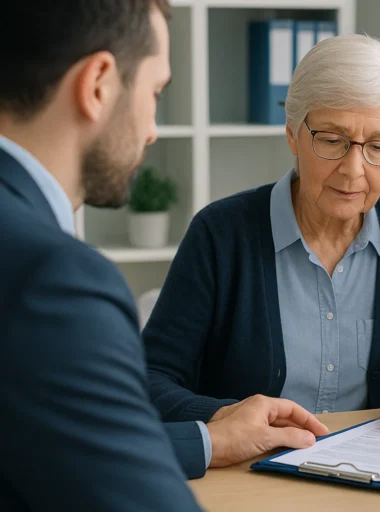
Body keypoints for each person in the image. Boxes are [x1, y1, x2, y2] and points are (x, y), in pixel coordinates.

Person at [0, 2, 327, 510]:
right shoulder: (55, 280)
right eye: (155, 93)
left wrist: (208, 439)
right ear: (99, 84)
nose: (153, 129)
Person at [142, 34, 380, 423]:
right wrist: (227, 417)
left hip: (373, 474)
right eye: (332, 140)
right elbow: (149, 379)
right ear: (292, 135)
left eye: (379, 147)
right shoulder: (220, 234)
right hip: (249, 471)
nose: (353, 170)